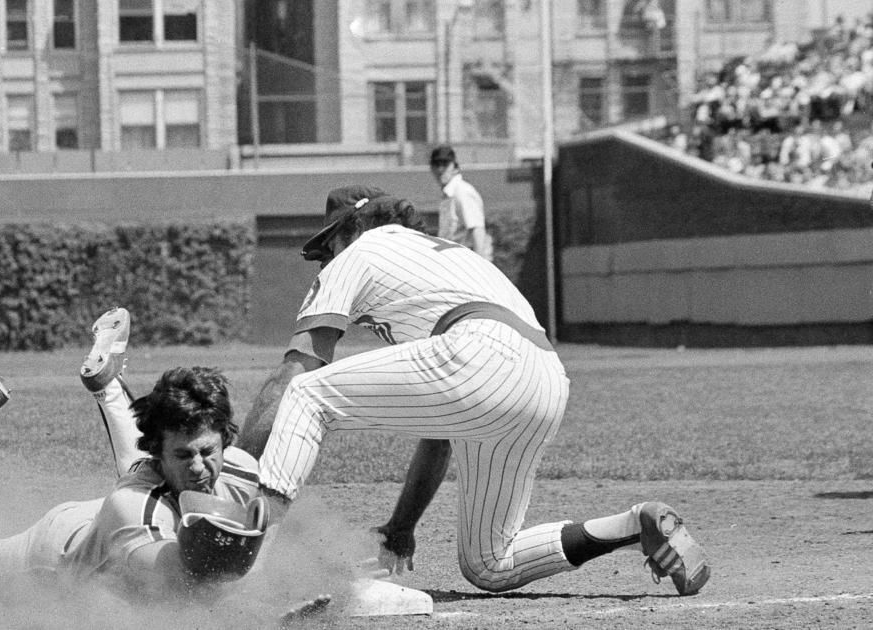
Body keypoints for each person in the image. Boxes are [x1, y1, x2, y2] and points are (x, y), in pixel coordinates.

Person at [238, 186, 711, 596]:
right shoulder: (443, 259)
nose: (326, 257)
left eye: (329, 243)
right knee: (489, 564)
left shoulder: (361, 251)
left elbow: (296, 372)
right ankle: (636, 523)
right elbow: (441, 425)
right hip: (544, 379)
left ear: (353, 226)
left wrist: (230, 473)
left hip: (482, 353)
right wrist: (401, 528)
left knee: (307, 395)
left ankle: (246, 566)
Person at [0, 308, 267, 599]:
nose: (201, 466)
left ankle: (108, 386)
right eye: (185, 455)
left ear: (224, 438)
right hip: (50, 556)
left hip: (106, 521)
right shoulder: (134, 508)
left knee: (152, 478)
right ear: (158, 453)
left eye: (208, 450)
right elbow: (181, 584)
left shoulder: (240, 469)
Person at [428, 145, 493, 261]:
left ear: (455, 168)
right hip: (455, 262)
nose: (440, 169)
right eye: (436, 164)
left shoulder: (462, 192)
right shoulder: (449, 194)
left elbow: (477, 230)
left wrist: (479, 266)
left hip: (468, 262)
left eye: (445, 164)